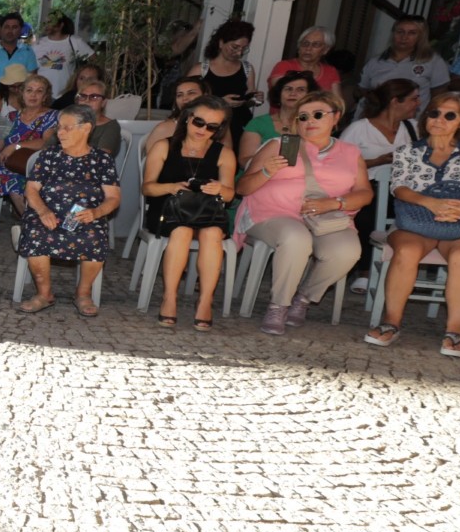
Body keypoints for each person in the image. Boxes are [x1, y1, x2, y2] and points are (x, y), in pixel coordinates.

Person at [365, 93, 460, 357]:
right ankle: (391, 322)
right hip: (415, 222)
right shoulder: (407, 151)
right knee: (407, 251)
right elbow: (399, 188)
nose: (439, 119)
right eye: (435, 113)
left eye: (450, 115)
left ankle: (456, 330)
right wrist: (432, 204)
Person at [235, 89, 372, 335]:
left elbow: (364, 193)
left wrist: (335, 203)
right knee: (295, 237)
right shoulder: (281, 145)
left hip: (324, 217)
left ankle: (304, 298)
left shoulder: (350, 153)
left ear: (336, 117)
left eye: (318, 115)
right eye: (303, 117)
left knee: (347, 251)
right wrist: (266, 172)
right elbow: (242, 188)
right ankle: (279, 306)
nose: (310, 121)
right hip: (272, 214)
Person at [15, 105, 121, 317]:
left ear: (86, 128)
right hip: (49, 213)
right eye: (59, 127)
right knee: (36, 233)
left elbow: (113, 197)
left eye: (67, 127)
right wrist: (43, 211)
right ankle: (44, 294)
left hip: (84, 216)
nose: (60, 132)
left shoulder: (102, 160)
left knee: (95, 236)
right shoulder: (49, 156)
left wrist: (96, 213)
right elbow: (31, 189)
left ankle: (83, 294)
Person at [141, 97, 236, 330]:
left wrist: (219, 189)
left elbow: (229, 195)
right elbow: (148, 188)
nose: (203, 130)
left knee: (213, 233)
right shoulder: (164, 146)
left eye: (212, 127)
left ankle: (205, 300)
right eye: (199, 122)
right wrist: (171, 187)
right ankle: (169, 297)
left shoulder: (223, 153)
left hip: (206, 212)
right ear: (187, 118)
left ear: (219, 129)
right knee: (181, 231)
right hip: (167, 210)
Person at [0, 73, 58, 216]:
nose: (33, 95)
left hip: (33, 169)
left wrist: (16, 146)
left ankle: (32, 224)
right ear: (22, 94)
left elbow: (46, 143)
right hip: (6, 166)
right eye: (29, 90)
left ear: (45, 96)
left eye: (39, 91)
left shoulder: (52, 116)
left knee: (15, 185)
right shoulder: (12, 117)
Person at [358, 15, 449, 111]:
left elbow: (439, 96)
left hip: (413, 117)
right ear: (393, 33)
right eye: (400, 32)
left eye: (412, 33)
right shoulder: (375, 62)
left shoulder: (433, 61)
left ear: (421, 37)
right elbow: (363, 90)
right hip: (375, 115)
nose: (404, 37)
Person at [238, 70, 318, 169]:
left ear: (309, 96)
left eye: (300, 90)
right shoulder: (258, 123)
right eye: (288, 89)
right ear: (279, 94)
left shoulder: (314, 125)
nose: (293, 93)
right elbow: (244, 161)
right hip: (259, 175)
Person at [200, 19, 259, 144]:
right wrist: (220, 102)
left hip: (239, 124)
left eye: (244, 49)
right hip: (210, 126)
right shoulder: (202, 69)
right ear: (221, 43)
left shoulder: (247, 68)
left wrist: (254, 98)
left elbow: (249, 98)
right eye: (235, 47)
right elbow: (189, 102)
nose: (239, 53)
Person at [268, 26, 345, 99]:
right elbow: (282, 96)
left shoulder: (330, 71)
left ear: (326, 50)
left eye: (316, 44)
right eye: (305, 43)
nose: (308, 48)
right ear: (299, 47)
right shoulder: (284, 66)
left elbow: (337, 103)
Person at [145, 78, 215, 155]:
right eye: (180, 95)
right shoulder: (164, 129)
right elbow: (151, 160)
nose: (185, 98)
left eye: (191, 93)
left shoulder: (216, 125)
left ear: (205, 96)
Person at [32, 15, 94, 96]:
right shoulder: (38, 43)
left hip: (65, 94)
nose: (46, 25)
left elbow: (94, 60)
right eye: (45, 22)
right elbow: (33, 70)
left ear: (61, 25)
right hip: (41, 94)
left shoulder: (74, 41)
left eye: (50, 22)